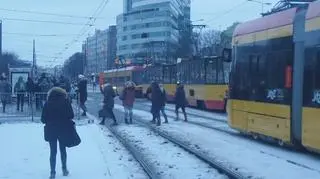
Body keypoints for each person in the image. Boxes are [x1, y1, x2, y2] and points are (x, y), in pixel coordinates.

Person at [41, 87, 74, 179]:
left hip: (51, 129)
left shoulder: (47, 103)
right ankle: (64, 169)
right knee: (63, 150)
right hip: (63, 129)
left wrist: (49, 121)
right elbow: (71, 115)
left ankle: (52, 173)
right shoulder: (65, 102)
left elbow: (43, 119)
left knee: (53, 152)